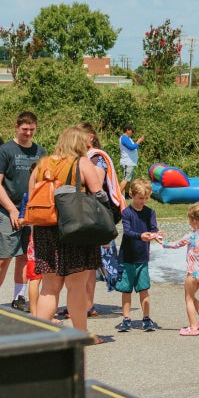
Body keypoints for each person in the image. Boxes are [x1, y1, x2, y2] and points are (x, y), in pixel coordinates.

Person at [30, 126, 103, 337]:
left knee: (49, 287)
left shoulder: (41, 164)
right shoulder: (81, 163)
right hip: (75, 229)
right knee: (76, 286)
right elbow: (98, 195)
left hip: (45, 230)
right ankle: (81, 334)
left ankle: (41, 335)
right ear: (77, 143)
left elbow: (31, 196)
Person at [0, 111, 45, 311]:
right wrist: (12, 210)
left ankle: (19, 297)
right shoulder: (4, 151)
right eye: (25, 129)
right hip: (6, 211)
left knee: (24, 256)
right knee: (4, 257)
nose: (28, 133)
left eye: (32, 129)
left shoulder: (40, 152)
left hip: (31, 212)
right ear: (16, 127)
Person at [78, 121, 125, 319]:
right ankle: (82, 303)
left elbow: (94, 183)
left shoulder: (96, 158)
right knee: (85, 260)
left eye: (79, 136)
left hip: (96, 213)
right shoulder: (86, 157)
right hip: (88, 212)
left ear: (89, 138)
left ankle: (87, 305)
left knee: (89, 261)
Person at [160, 202, 199, 336]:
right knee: (192, 296)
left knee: (188, 298)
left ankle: (193, 327)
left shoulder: (191, 236)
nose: (189, 221)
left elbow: (175, 245)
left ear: (194, 221)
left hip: (193, 273)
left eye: (189, 219)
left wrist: (160, 241)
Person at [115, 179, 160, 333]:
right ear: (131, 194)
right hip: (126, 258)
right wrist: (141, 236)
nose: (143, 201)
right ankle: (126, 319)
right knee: (126, 290)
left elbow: (154, 229)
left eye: (146, 198)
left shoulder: (150, 212)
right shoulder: (126, 213)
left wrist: (157, 235)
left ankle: (146, 318)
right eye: (140, 198)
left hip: (142, 258)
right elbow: (127, 232)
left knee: (144, 289)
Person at [118, 124, 144, 197]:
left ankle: (126, 194)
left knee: (128, 179)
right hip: (127, 162)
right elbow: (131, 147)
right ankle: (117, 196)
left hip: (130, 162)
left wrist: (137, 143)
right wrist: (138, 141)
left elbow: (133, 146)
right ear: (127, 130)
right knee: (126, 179)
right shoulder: (124, 138)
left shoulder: (127, 138)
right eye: (131, 131)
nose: (132, 132)